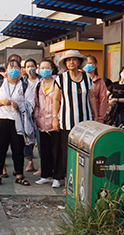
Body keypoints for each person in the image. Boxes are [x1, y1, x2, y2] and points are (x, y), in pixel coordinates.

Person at [52, 50, 98, 186]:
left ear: (79, 62)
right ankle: (68, 180)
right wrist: (55, 117)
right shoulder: (61, 79)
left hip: (85, 121)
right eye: (68, 60)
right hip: (67, 122)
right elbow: (56, 99)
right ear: (65, 63)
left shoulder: (86, 78)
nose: (71, 62)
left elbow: (91, 97)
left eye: (74, 60)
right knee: (67, 152)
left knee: (84, 151)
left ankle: (83, 180)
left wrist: (95, 115)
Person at [0, 58, 34, 186]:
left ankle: (19, 175)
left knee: (18, 149)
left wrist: (19, 105)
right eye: (11, 67)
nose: (13, 70)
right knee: (0, 149)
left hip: (18, 121)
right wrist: (2, 102)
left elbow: (31, 104)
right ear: (6, 70)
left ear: (20, 70)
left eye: (16, 67)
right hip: (1, 120)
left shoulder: (24, 86)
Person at [33, 59, 61, 188]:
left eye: (47, 67)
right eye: (42, 67)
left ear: (52, 69)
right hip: (42, 123)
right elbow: (36, 103)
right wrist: (36, 117)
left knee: (57, 151)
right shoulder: (39, 85)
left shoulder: (58, 83)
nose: (44, 70)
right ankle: (45, 175)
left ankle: (57, 177)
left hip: (55, 122)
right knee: (44, 151)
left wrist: (58, 118)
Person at [22, 59, 40, 172]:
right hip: (27, 114)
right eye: (28, 66)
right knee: (27, 138)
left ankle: (43, 165)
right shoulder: (22, 82)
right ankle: (30, 161)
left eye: (32, 66)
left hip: (40, 113)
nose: (30, 68)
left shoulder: (41, 80)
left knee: (41, 138)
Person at [84, 54, 107, 123]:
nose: (87, 65)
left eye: (90, 63)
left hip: (94, 117)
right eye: (86, 63)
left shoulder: (100, 82)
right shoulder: (80, 80)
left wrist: (100, 117)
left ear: (95, 65)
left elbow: (103, 101)